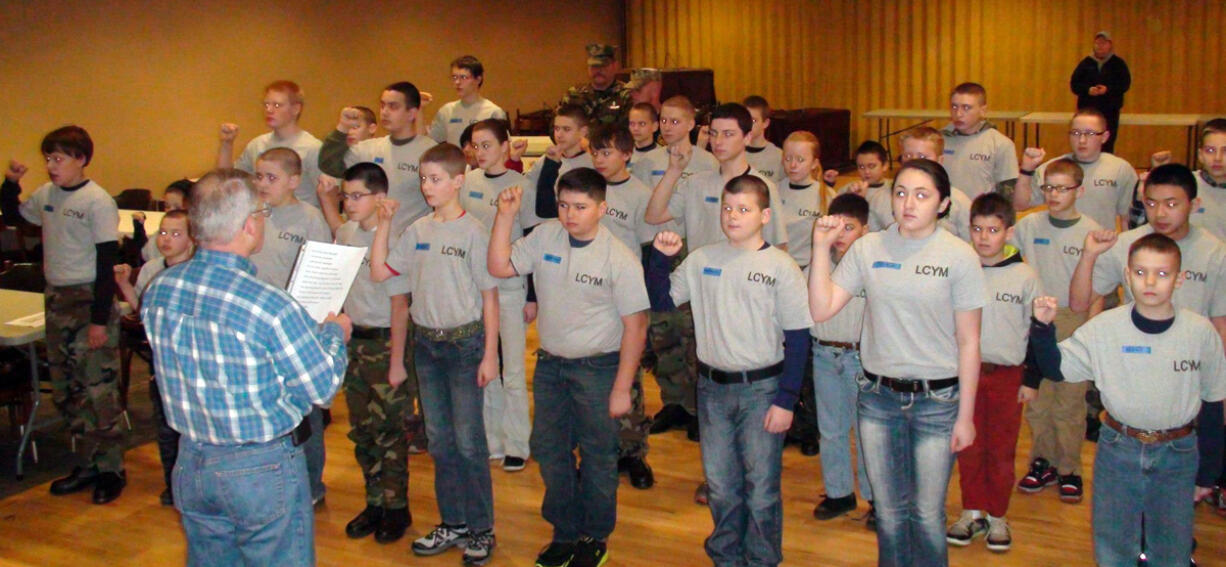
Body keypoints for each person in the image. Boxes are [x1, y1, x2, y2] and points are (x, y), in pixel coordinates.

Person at [141, 168, 351, 566]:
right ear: (248, 225)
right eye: (261, 212)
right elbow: (322, 388)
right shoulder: (268, 305)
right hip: (260, 468)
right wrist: (333, 335)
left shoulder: (159, 291)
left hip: (192, 461)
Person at [809, 159, 985, 567]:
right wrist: (820, 248)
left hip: (937, 402)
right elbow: (821, 309)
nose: (908, 203)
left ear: (942, 205)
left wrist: (966, 415)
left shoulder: (959, 256)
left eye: (922, 195)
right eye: (901, 192)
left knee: (926, 515)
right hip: (877, 398)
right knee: (888, 514)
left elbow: (970, 342)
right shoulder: (868, 249)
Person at [1028, 233, 1225, 566]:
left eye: (1162, 274)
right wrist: (1042, 328)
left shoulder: (1200, 332)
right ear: (1126, 275)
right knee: (1114, 546)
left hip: (1177, 455)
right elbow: (1056, 368)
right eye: (1140, 272)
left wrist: (1208, 474)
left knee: (1172, 550)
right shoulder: (1105, 328)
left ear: (1180, 279)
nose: (1149, 282)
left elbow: (1213, 404)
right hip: (1119, 449)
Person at [646, 175, 811, 567]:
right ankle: (726, 557)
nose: (733, 216)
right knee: (721, 486)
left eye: (744, 209)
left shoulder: (781, 266)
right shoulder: (703, 259)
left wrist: (787, 400)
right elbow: (661, 299)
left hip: (763, 390)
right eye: (727, 208)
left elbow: (799, 338)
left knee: (762, 487)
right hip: (712, 389)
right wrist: (660, 257)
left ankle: (762, 559)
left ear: (765, 215)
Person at [487, 169, 648, 567]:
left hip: (598, 369)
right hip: (550, 367)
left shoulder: (619, 258)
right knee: (549, 450)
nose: (570, 214)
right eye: (563, 205)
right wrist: (505, 216)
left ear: (601, 208)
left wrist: (621, 387)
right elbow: (500, 266)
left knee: (597, 455)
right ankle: (564, 531)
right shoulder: (545, 237)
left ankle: (594, 535)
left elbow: (637, 326)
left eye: (580, 206)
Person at [371, 144, 501, 564]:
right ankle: (455, 522)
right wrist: (383, 225)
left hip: (465, 346)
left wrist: (490, 355)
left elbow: (490, 297)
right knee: (440, 441)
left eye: (436, 179)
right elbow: (381, 272)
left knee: (468, 442)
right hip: (426, 346)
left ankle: (481, 529)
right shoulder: (416, 230)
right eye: (424, 178)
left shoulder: (474, 232)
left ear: (458, 181)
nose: (428, 186)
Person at [2, 126, 126, 504]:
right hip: (56, 298)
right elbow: (18, 216)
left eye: (59, 159)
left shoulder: (97, 201)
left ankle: (111, 468)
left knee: (97, 389)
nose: (52, 167)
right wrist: (10, 184)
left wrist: (98, 321)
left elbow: (107, 264)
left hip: (90, 298)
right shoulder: (46, 195)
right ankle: (87, 460)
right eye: (48, 160)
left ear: (81, 159)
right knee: (68, 386)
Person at [945, 193, 1041, 553]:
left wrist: (1031, 379)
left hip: (1007, 376)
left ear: (1009, 232)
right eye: (977, 229)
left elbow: (1037, 331)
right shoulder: (960, 270)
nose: (984, 237)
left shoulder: (1025, 276)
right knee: (968, 445)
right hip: (964, 374)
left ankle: (998, 515)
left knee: (1001, 450)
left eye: (993, 230)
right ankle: (971, 511)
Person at [1010, 157, 1103, 503]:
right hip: (1035, 318)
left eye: (1063, 188)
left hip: (1071, 319)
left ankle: (1070, 468)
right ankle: (1042, 462)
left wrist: (1090, 326)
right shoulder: (1029, 225)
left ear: (1079, 191)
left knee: (1069, 402)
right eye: (1048, 187)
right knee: (1038, 398)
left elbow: (1099, 288)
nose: (1053, 194)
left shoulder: (1091, 231)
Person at [328, 163, 413, 544]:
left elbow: (400, 304)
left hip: (385, 342)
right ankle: (374, 500)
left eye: (357, 195)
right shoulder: (345, 233)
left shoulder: (391, 236)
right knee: (362, 430)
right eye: (345, 195)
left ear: (380, 197)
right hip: (353, 342)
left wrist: (397, 362)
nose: (349, 203)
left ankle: (397, 508)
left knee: (390, 431)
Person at [1069, 164, 1226, 334]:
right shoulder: (1125, 244)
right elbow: (1079, 305)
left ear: (1194, 205)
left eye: (1171, 205)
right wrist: (1088, 255)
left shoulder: (1214, 252)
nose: (1160, 213)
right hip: (1135, 348)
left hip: (1190, 352)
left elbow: (1220, 321)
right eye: (1151, 204)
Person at [460, 119, 533, 472]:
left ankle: (517, 443)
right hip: (475, 288)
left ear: (505, 147)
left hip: (509, 286)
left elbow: (533, 238)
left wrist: (532, 295)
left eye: (487, 145)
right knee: (486, 365)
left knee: (514, 368)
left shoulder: (522, 185)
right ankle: (492, 439)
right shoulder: (467, 182)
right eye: (475, 145)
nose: (480, 152)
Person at [113, 210, 195, 507]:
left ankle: (192, 486)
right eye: (163, 232)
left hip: (190, 366)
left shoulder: (195, 272)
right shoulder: (151, 269)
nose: (166, 240)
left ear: (192, 240)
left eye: (176, 234)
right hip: (162, 365)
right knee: (165, 429)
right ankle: (172, 485)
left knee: (190, 431)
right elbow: (144, 315)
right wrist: (124, 287)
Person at [805, 193, 875, 525]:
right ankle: (839, 494)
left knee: (867, 432)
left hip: (861, 357)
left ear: (866, 229)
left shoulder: (871, 264)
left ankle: (876, 499)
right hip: (824, 352)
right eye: (838, 226)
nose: (843, 234)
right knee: (831, 429)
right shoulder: (817, 264)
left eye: (851, 227)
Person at [319, 81, 438, 237]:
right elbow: (328, 165)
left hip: (407, 245)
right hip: (367, 243)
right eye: (383, 106)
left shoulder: (430, 152)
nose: (385, 112)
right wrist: (342, 128)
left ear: (412, 113)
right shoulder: (367, 149)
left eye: (393, 107)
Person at [1013, 108, 1138, 231]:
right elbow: (1020, 205)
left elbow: (1127, 218)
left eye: (1090, 134)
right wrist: (1026, 170)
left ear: (1104, 137)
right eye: (1076, 133)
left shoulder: (1120, 169)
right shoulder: (1053, 167)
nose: (1082, 140)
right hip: (1059, 246)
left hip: (1100, 246)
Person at [217, 80, 324, 208]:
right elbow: (227, 182)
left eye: (277, 105)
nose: (269, 110)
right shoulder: (257, 145)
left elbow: (328, 196)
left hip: (300, 224)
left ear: (296, 109)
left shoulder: (312, 148)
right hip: (264, 220)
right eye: (266, 104)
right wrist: (227, 144)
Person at [941, 82, 1019, 199]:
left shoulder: (1001, 144)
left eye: (966, 107)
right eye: (954, 106)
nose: (958, 114)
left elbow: (1007, 194)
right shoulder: (938, 140)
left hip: (980, 213)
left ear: (983, 110)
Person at [895, 128, 974, 243]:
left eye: (922, 157)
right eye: (907, 155)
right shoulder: (889, 196)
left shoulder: (959, 201)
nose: (914, 162)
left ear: (940, 160)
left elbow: (972, 243)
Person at [1154, 118, 1226, 243]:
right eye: (1210, 150)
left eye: (1225, 151)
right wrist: (1158, 178)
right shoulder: (1182, 185)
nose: (1217, 158)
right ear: (1200, 155)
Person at [779, 131, 835, 268]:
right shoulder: (771, 191)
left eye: (800, 160)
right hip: (777, 267)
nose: (792, 165)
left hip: (810, 268)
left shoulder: (827, 196)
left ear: (814, 163)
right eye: (788, 159)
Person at [1070, 31, 1131, 154]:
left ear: (1110, 45)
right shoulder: (1085, 63)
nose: (1100, 46)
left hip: (1110, 112)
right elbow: (1074, 85)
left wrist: (1107, 90)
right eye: (1097, 43)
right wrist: (1088, 90)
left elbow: (1125, 84)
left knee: (1107, 143)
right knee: (1086, 141)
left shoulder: (1118, 64)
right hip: (1088, 111)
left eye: (1103, 43)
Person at [428, 55, 508, 146]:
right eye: (454, 77)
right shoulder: (446, 111)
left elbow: (502, 148)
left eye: (463, 77)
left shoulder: (493, 112)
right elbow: (431, 142)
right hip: (455, 160)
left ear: (478, 79)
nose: (457, 82)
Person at [558, 43, 633, 128]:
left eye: (603, 66)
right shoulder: (573, 96)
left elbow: (632, 131)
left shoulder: (627, 96)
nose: (598, 70)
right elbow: (555, 127)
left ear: (615, 66)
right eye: (594, 66)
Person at [836, 141, 894, 231]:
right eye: (861, 167)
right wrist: (851, 199)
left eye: (871, 166)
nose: (866, 172)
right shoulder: (848, 190)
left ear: (885, 165)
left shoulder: (894, 188)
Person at [743, 95, 786, 187]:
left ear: (765, 123)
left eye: (754, 120)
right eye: (745, 119)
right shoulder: (734, 153)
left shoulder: (779, 156)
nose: (748, 124)